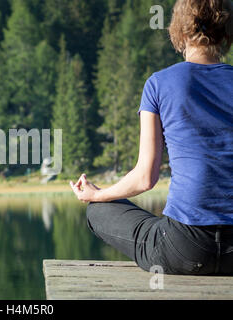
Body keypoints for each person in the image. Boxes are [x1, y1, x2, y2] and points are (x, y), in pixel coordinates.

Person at [70, 0, 233, 275]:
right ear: (227, 32)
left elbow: (146, 177)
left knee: (98, 211)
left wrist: (97, 195)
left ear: (178, 31)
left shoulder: (159, 84)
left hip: (185, 248)